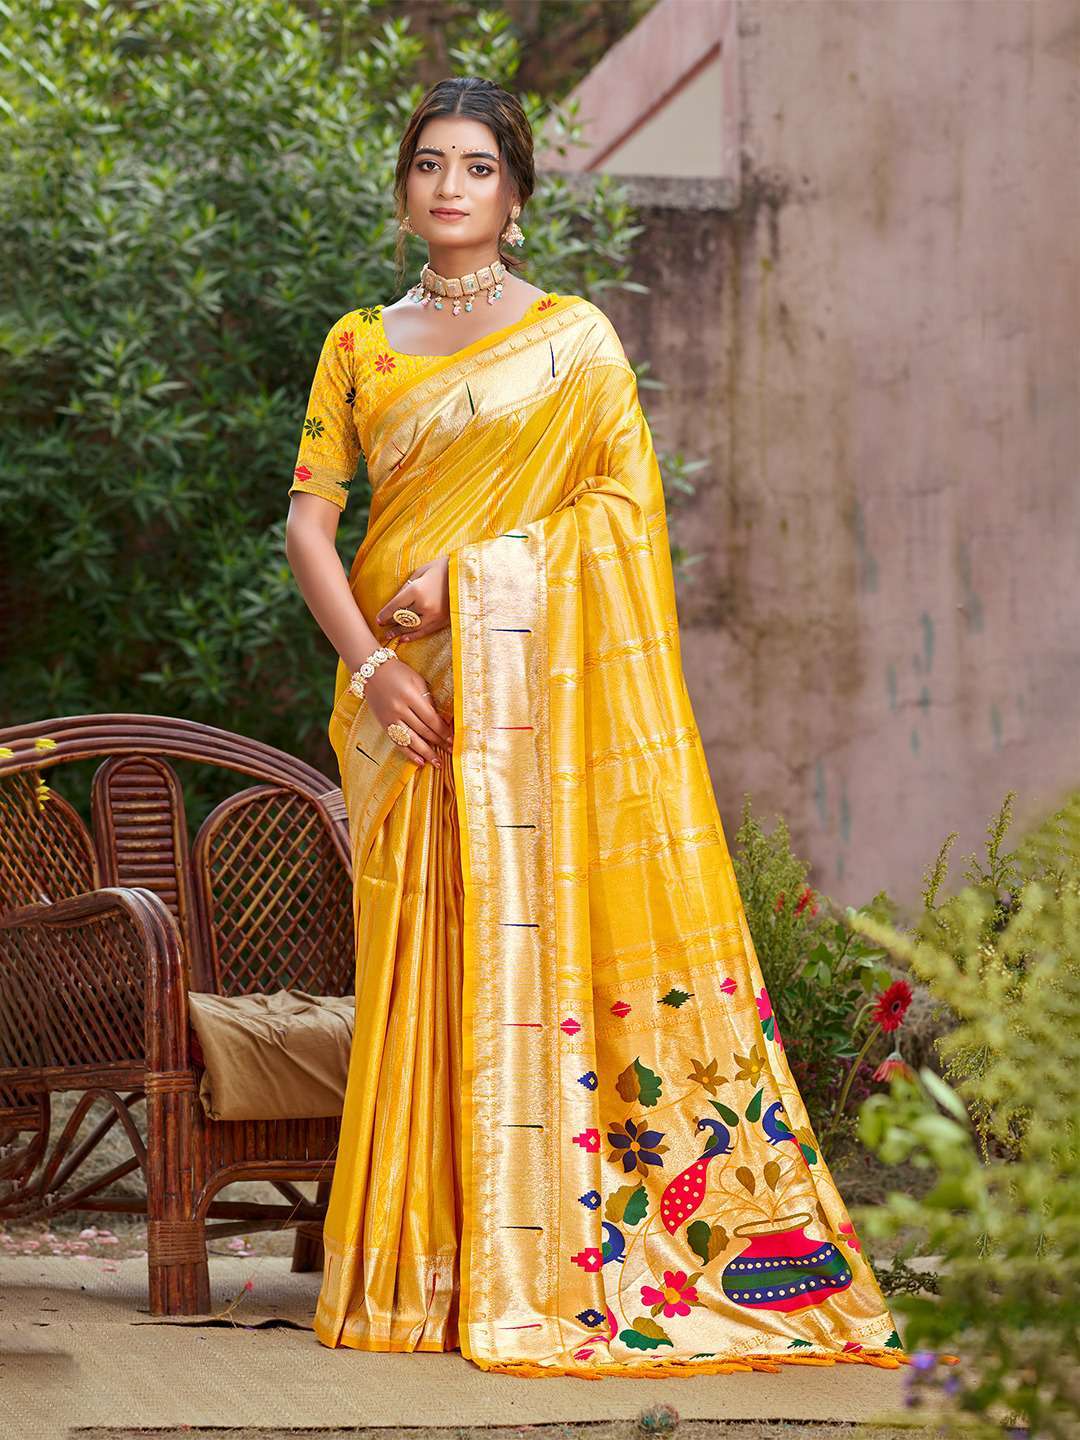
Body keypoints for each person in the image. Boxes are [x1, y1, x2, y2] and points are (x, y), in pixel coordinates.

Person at [284, 76, 912, 1379]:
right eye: (429, 163)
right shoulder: (359, 344)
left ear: (515, 193)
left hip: (527, 702)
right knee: (421, 966)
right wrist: (372, 670)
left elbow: (621, 518)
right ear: (403, 187)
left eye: (477, 166)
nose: (450, 185)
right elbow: (307, 526)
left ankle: (556, 1262)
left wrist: (466, 582)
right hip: (404, 708)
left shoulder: (574, 342)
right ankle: (422, 1274)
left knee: (531, 957)